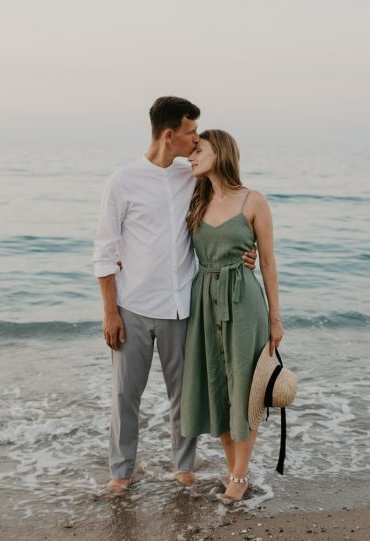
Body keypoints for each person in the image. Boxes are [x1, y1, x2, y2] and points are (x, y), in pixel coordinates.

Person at [92, 97, 256, 496]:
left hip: (183, 305)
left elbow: (227, 207)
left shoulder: (192, 175)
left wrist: (243, 252)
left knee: (184, 395)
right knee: (124, 396)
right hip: (132, 306)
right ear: (169, 135)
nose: (196, 140)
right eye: (191, 133)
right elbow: (103, 249)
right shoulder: (122, 181)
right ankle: (121, 471)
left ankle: (183, 468)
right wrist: (110, 312)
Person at [180, 129, 284, 503]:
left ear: (220, 152)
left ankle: (239, 476)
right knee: (217, 389)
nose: (190, 157)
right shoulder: (194, 199)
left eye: (198, 150)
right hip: (203, 299)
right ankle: (233, 470)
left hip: (243, 299)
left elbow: (268, 262)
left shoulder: (253, 200)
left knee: (245, 390)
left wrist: (276, 318)